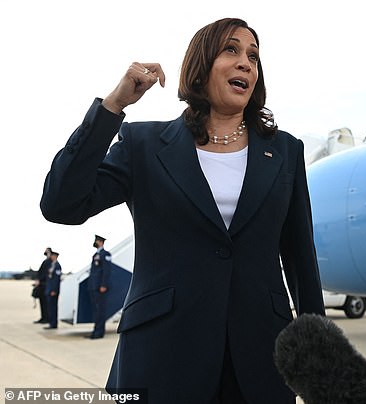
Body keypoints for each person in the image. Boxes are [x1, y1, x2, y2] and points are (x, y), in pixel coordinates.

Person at [40, 18, 325, 403]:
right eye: (232, 50)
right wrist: (113, 106)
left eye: (254, 56)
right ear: (201, 63)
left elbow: (300, 260)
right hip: (161, 354)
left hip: (261, 359)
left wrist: (322, 361)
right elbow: (62, 204)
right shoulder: (144, 144)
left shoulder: (286, 151)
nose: (246, 63)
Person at [86, 235, 112, 339]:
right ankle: (95, 330)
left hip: (100, 287)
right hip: (93, 286)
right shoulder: (95, 255)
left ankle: (99, 332)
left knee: (100, 310)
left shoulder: (106, 254)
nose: (95, 242)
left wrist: (103, 285)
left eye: (96, 241)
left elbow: (107, 271)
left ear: (100, 242)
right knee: (96, 311)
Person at [33, 247, 52, 324]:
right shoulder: (46, 261)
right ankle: (43, 317)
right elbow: (40, 272)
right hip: (41, 285)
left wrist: (40, 280)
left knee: (46, 303)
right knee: (42, 302)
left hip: (45, 285)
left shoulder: (50, 262)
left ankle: (46, 318)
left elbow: (46, 274)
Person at [43, 251, 61, 330]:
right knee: (49, 308)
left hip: (53, 291)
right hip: (49, 289)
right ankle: (51, 322)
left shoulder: (57, 266)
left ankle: (53, 323)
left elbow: (56, 279)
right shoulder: (51, 265)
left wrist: (54, 290)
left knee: (53, 308)